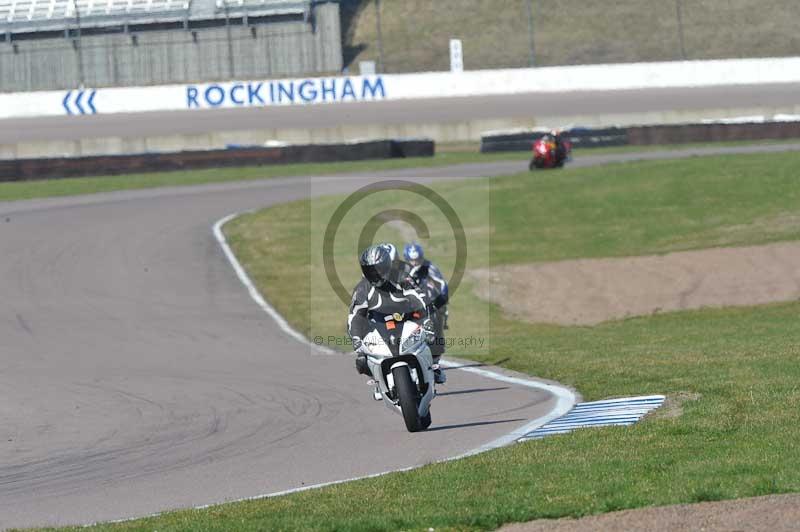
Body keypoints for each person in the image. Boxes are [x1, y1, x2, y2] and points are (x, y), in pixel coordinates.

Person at [347, 243, 443, 383]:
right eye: (370, 270)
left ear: (386, 266)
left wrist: (427, 320)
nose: (374, 274)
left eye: (377, 269)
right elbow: (354, 316)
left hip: (407, 318)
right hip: (378, 326)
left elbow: (420, 297)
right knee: (361, 363)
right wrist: (356, 340)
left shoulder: (401, 278)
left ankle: (434, 366)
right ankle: (378, 380)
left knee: (434, 318)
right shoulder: (362, 289)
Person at [403, 243, 449, 382]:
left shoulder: (429, 267)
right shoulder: (402, 270)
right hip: (408, 306)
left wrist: (441, 302)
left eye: (417, 260)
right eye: (412, 260)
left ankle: (435, 365)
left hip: (428, 306)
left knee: (436, 329)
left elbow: (442, 285)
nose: (415, 263)